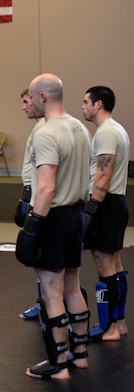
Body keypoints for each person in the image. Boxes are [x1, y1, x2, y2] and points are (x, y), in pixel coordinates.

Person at [19, 73, 90, 379]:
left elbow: (46, 188)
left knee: (51, 291)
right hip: (75, 216)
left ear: (44, 97)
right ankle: (80, 355)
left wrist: (32, 225)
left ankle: (58, 365)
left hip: (52, 216)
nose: (28, 104)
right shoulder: (80, 128)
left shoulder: (46, 133)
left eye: (31, 98)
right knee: (72, 286)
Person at [81, 86, 130, 341]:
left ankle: (110, 328)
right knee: (116, 265)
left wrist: (91, 210)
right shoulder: (118, 129)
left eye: (86, 102)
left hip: (105, 203)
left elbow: (103, 173)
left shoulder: (106, 133)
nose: (83, 106)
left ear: (99, 104)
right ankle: (119, 324)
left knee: (104, 266)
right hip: (116, 202)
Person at [16, 88, 46, 320]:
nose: (24, 106)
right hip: (33, 194)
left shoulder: (45, 129)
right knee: (41, 261)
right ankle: (45, 302)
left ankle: (48, 304)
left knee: (44, 260)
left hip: (43, 202)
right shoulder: (40, 127)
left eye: (27, 102)